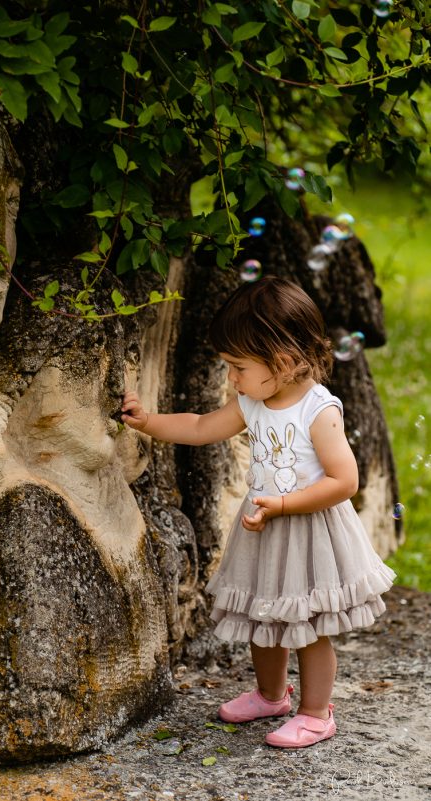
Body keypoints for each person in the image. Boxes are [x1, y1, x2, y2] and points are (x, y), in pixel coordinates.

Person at [121, 275, 396, 749]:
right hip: (264, 524)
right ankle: (271, 695)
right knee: (262, 615)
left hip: (308, 529)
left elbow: (343, 481)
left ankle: (316, 713)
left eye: (237, 366)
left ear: (283, 362)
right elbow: (202, 425)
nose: (231, 378)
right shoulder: (252, 400)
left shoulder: (318, 410)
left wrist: (285, 503)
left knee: (308, 627)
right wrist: (148, 422)